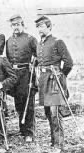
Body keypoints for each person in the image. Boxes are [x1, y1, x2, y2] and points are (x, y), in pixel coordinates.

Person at [35, 16, 73, 152]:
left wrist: (61, 76)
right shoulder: (39, 44)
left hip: (54, 80)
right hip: (43, 81)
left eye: (42, 26)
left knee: (55, 112)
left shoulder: (58, 42)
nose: (39, 29)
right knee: (47, 112)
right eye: (38, 27)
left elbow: (68, 62)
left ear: (49, 27)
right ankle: (53, 141)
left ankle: (59, 144)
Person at [6, 14, 37, 142]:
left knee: (28, 103)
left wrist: (34, 64)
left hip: (26, 73)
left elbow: (39, 55)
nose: (16, 27)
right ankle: (22, 129)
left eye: (18, 25)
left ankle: (29, 132)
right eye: (13, 25)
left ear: (22, 25)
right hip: (14, 74)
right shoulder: (9, 40)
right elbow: (7, 58)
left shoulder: (30, 39)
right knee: (18, 102)